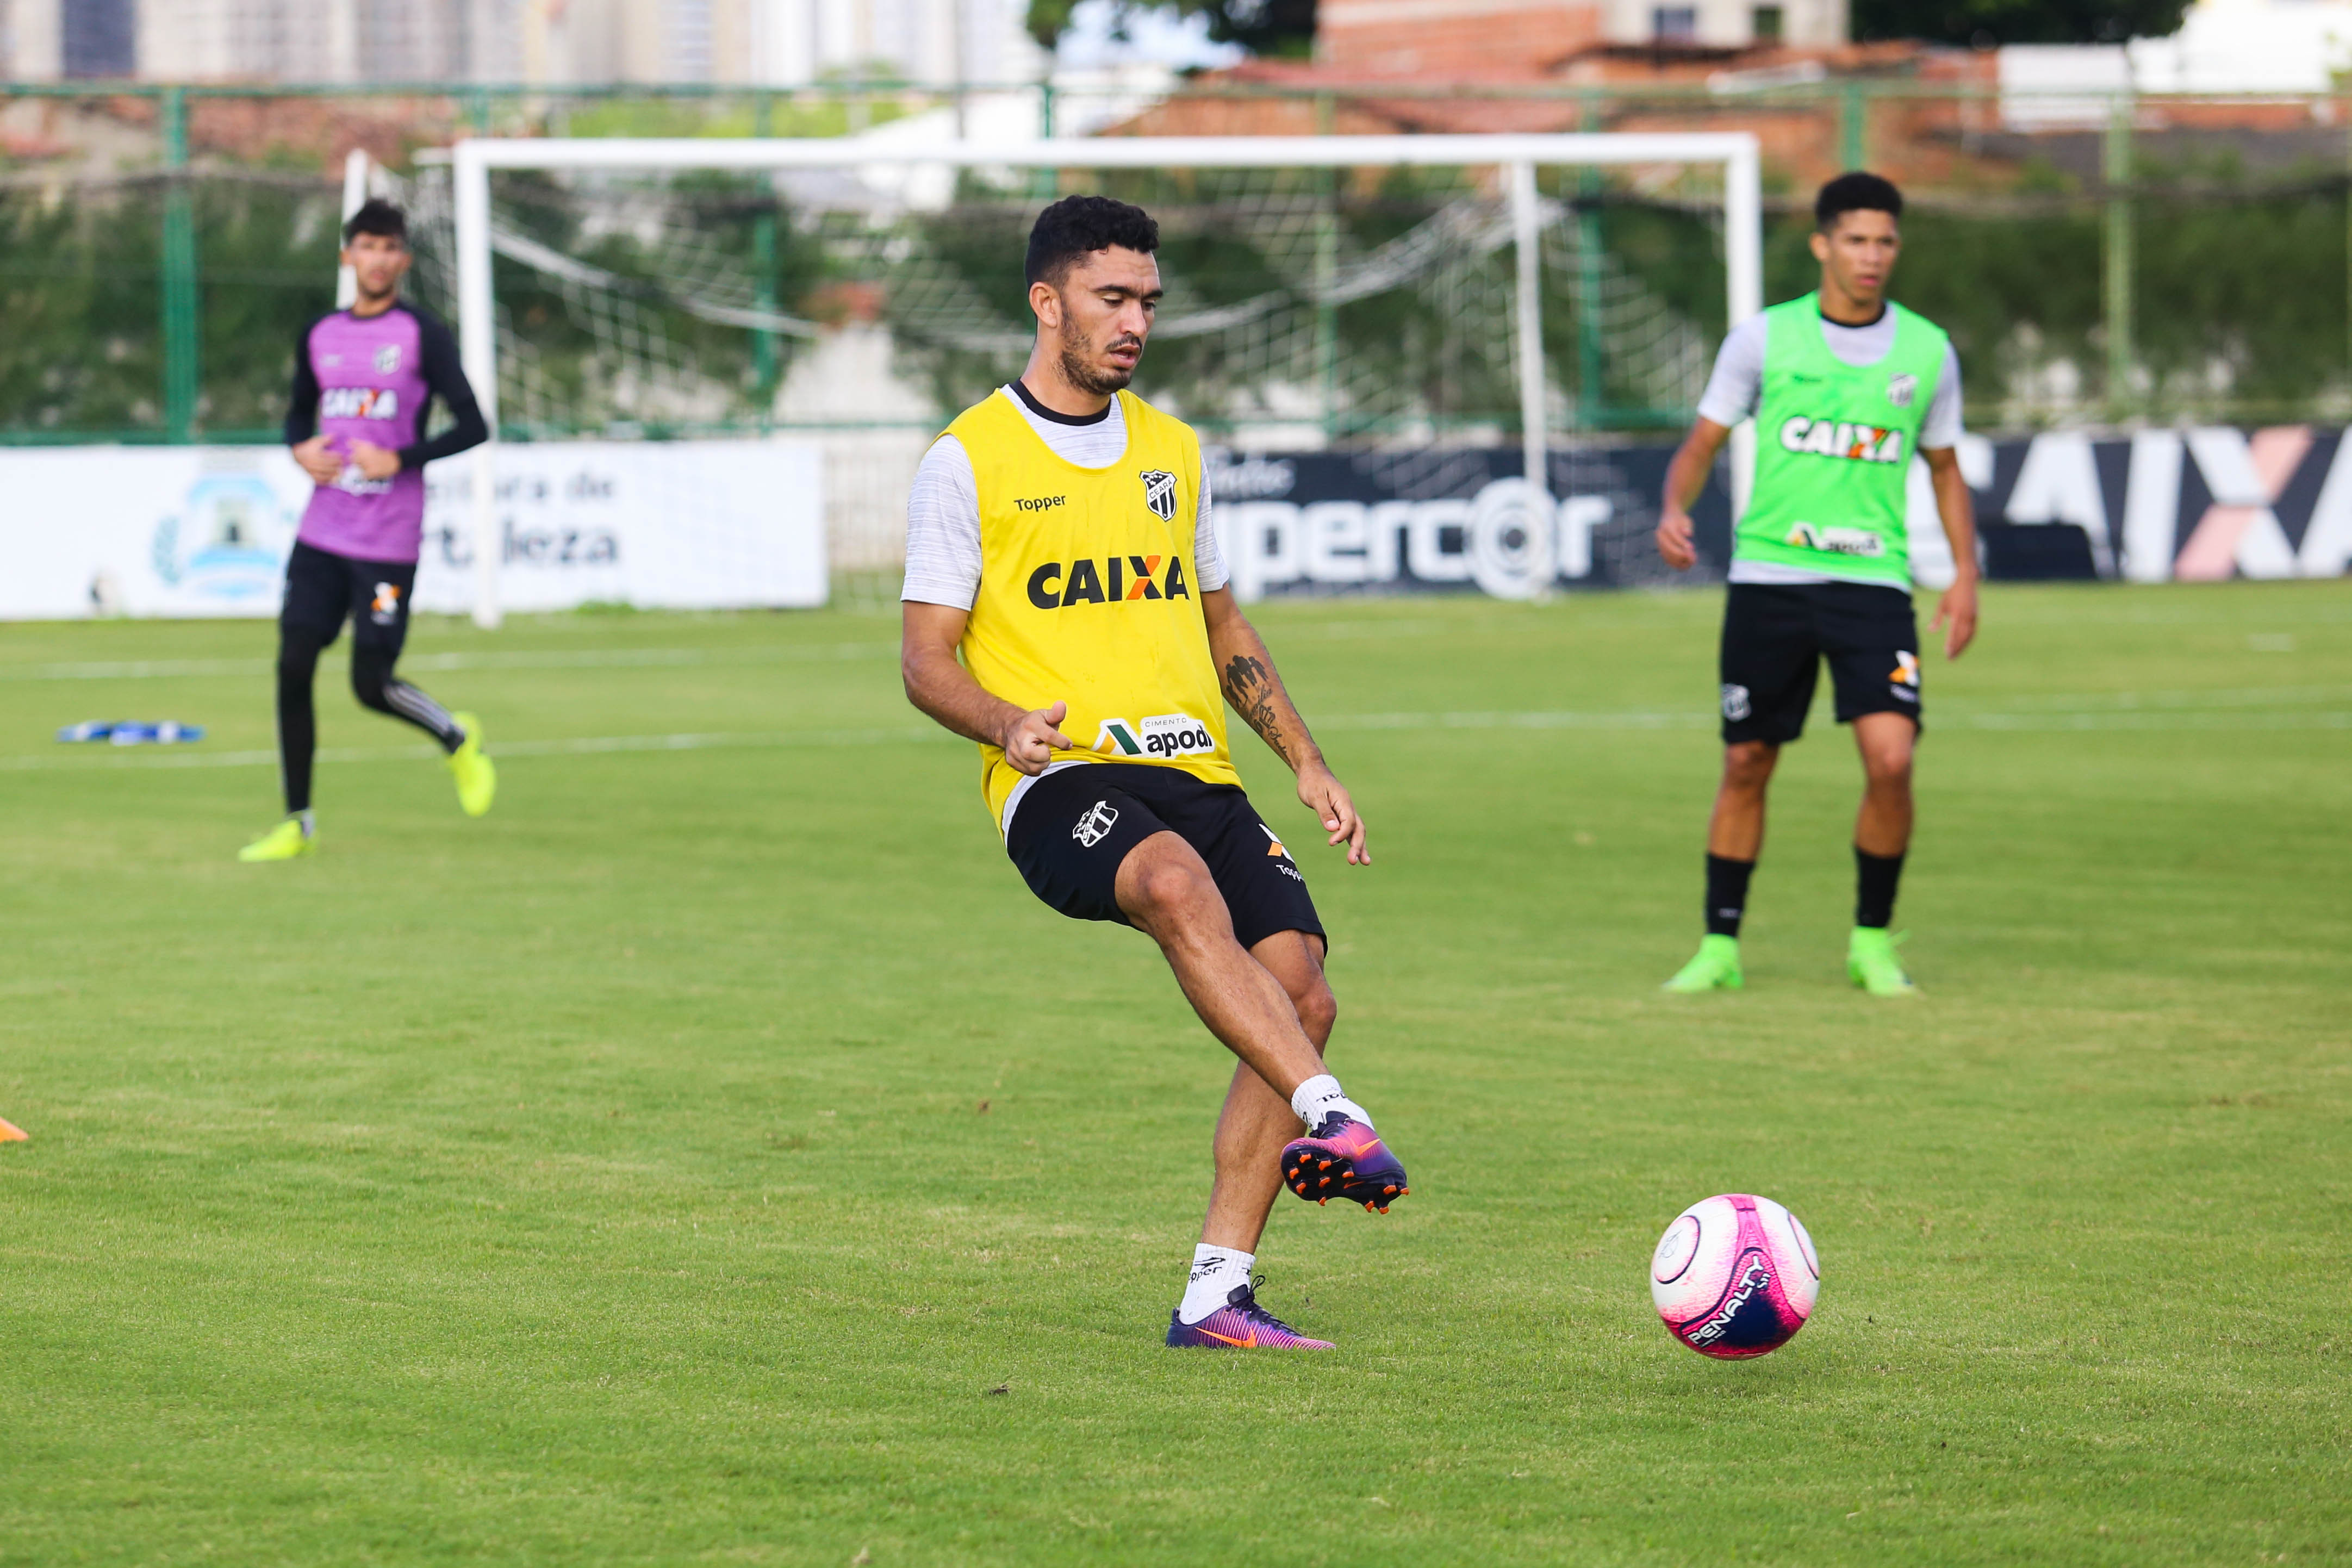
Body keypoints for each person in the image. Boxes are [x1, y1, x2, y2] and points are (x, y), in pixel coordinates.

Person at [900, 195, 1407, 1351]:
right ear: (1048, 302)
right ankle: (1334, 1113)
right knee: (1174, 882)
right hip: (1060, 776)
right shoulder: (968, 457)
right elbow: (924, 660)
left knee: (1302, 992)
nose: (1134, 321)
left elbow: (1223, 625)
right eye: (1112, 298)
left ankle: (1216, 1296)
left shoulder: (1174, 450)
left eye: (1148, 302)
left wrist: (1307, 760)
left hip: (1197, 770)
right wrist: (1003, 722)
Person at [1654, 172, 1980, 995]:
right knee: (1746, 760)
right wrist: (1673, 509)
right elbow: (1701, 442)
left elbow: (1945, 470)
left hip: (1873, 584)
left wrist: (1965, 574)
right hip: (1769, 580)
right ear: (1822, 245)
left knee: (1892, 760)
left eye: (1885, 242)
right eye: (1857, 240)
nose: (1872, 256)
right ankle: (1718, 948)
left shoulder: (1926, 351)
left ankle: (1872, 941)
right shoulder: (1763, 340)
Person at [240, 198, 496, 862]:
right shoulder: (320, 332)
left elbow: (475, 425)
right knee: (293, 663)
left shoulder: (422, 334)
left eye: (389, 248)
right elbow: (298, 412)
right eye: (367, 246)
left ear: (403, 260)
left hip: (387, 544)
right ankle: (296, 822)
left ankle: (456, 738)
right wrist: (299, 448)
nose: (377, 259)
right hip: (322, 534)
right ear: (347, 255)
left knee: (371, 683)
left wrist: (401, 459)